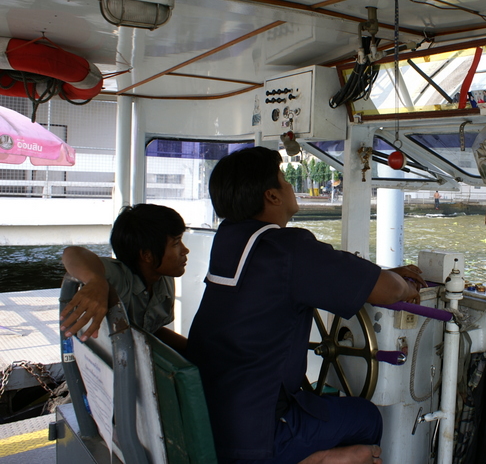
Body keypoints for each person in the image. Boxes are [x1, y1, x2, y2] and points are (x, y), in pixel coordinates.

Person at [186, 147, 424, 464]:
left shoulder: (229, 240)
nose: (290, 186)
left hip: (209, 420)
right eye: (285, 179)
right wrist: (406, 285)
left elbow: (295, 281)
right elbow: (387, 291)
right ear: (272, 196)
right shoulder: (288, 248)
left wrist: (379, 275)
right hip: (258, 436)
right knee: (366, 418)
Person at [60, 204, 190, 352]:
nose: (185, 250)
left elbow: (151, 331)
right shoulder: (119, 278)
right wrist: (95, 281)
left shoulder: (163, 280)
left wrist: (195, 350)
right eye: (176, 243)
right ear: (147, 255)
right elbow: (72, 253)